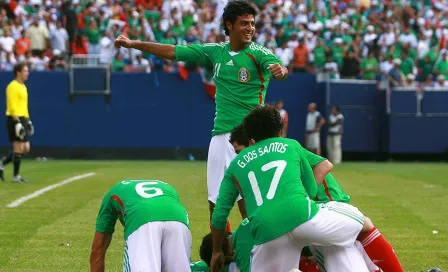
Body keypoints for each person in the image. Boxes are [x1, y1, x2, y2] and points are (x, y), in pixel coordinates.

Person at [114, 0, 288, 231]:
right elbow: (173, 51)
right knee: (215, 204)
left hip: (249, 138)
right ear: (230, 24)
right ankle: (222, 255)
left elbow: (279, 68)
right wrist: (134, 44)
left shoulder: (259, 54)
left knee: (249, 203)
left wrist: (281, 70)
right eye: (244, 23)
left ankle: (259, 251)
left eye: (252, 24)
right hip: (220, 137)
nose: (250, 28)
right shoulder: (215, 52)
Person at [210, 105, 372, 272]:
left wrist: (216, 251)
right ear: (279, 131)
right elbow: (311, 188)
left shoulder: (235, 165)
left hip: (266, 233)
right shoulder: (291, 145)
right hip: (303, 218)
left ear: (251, 139)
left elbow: (219, 215)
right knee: (363, 223)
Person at [229, 123, 404, 272]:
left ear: (252, 143)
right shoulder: (265, 158)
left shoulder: (278, 151)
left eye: (239, 150)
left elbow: (324, 165)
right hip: (309, 214)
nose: (238, 156)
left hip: (325, 204)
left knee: (354, 236)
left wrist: (301, 199)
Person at [90, 179, 192, 272]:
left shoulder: (112, 194)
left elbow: (98, 249)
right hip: (179, 217)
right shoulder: (168, 187)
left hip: (142, 218)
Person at [0, 62, 33, 182]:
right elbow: (12, 105)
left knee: (26, 148)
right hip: (14, 119)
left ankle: (2, 163)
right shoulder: (12, 86)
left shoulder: (23, 86)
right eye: (25, 70)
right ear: (18, 72)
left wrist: (28, 121)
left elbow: (24, 106)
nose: (27, 73)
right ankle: (16, 176)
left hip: (23, 118)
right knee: (19, 148)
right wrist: (17, 122)